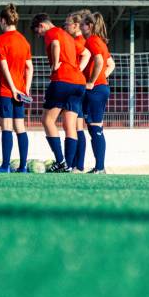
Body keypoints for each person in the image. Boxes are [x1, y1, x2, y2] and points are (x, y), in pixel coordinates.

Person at [31, 13, 87, 172]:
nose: (41, 36)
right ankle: (68, 166)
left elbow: (55, 44)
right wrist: (78, 69)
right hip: (79, 83)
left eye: (38, 32)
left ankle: (61, 160)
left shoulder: (51, 32)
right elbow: (86, 54)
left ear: (42, 26)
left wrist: (55, 65)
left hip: (62, 80)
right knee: (70, 125)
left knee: (47, 120)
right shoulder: (68, 36)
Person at [0, 4, 33, 173]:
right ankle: (23, 166)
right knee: (20, 127)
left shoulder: (1, 40)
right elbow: (29, 67)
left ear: (3, 21)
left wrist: (13, 88)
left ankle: (5, 166)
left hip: (6, 90)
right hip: (21, 91)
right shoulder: (24, 40)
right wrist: (25, 90)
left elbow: (3, 67)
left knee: (6, 127)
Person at [81, 12, 116, 174]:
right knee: (94, 127)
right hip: (101, 87)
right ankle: (98, 167)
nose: (81, 27)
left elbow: (100, 62)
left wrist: (92, 81)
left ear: (90, 26)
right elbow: (111, 65)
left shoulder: (93, 41)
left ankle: (100, 167)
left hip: (96, 89)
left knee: (95, 127)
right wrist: (101, 77)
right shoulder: (100, 41)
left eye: (83, 24)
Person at [65, 10, 92, 172]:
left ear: (76, 26)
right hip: (80, 86)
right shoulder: (80, 40)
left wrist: (77, 72)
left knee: (76, 126)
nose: (65, 26)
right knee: (78, 126)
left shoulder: (79, 42)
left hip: (76, 86)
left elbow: (87, 57)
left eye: (67, 24)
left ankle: (76, 164)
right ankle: (77, 164)